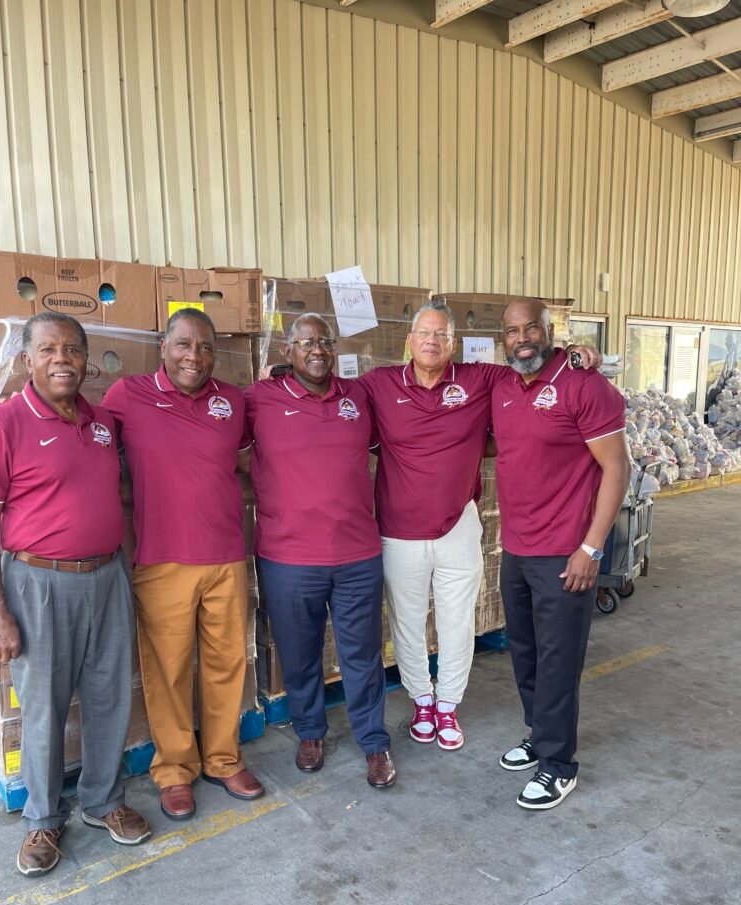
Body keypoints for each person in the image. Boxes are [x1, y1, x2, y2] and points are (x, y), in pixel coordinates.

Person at [359, 303, 601, 752]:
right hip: (398, 529)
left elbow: (534, 364)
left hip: (458, 526)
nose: (432, 341)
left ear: (453, 344)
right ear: (409, 341)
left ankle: (448, 704)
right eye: (424, 333)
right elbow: (331, 392)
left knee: (457, 621)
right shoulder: (379, 384)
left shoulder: (481, 379)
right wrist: (281, 373)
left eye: (441, 335)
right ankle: (422, 701)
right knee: (407, 623)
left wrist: (576, 352)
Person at [0, 312, 151, 877]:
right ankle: (43, 819)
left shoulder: (101, 423)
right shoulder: (1, 425)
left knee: (109, 697)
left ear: (86, 360)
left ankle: (103, 801)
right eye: (48, 349)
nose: (61, 360)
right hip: (38, 583)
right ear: (28, 359)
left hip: (107, 575)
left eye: (72, 349)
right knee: (44, 707)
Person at [102, 308, 264, 821]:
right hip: (161, 558)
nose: (195, 356)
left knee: (226, 663)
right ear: (164, 348)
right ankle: (174, 771)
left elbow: (248, 461)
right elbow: (92, 447)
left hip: (226, 555)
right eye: (184, 344)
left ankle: (223, 759)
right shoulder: (127, 396)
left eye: (205, 347)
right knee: (167, 671)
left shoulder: (231, 400)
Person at [245, 314, 396, 788]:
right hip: (288, 558)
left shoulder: (359, 396)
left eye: (325, 341)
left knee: (362, 655)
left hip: (357, 555)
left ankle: (374, 742)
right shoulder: (259, 399)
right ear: (287, 351)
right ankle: (310, 732)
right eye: (306, 342)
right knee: (299, 654)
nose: (317, 350)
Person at [493, 298, 629, 810]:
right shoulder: (503, 387)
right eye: (512, 331)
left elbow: (617, 468)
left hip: (566, 551)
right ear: (503, 339)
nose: (522, 338)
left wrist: (592, 548)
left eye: (532, 328)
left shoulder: (583, 385)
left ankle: (558, 764)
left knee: (558, 659)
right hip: (517, 547)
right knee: (525, 651)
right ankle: (540, 733)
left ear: (550, 332)